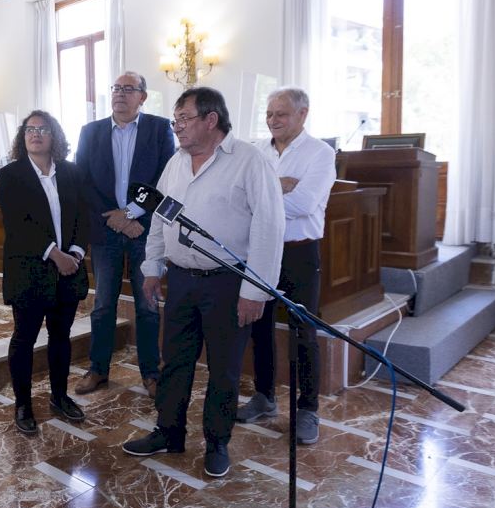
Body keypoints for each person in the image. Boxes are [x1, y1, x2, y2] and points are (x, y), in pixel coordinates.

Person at [122, 87, 283, 478]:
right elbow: (160, 217)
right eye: (175, 120)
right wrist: (152, 267)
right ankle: (168, 431)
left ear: (211, 120)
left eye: (184, 119)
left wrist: (255, 292)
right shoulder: (176, 163)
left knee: (224, 368)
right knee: (175, 360)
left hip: (228, 282)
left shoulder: (249, 161)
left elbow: (269, 228)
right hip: (180, 280)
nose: (177, 127)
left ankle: (217, 442)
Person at [237, 88, 336, 444]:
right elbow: (240, 197)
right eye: (269, 114)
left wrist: (261, 195)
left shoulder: (320, 153)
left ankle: (307, 409)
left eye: (281, 114)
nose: (273, 120)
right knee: (259, 326)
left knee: (302, 332)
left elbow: (305, 204)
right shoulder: (256, 151)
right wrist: (279, 188)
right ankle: (264, 396)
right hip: (260, 250)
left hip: (299, 252)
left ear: (302, 114)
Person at [74, 71, 175, 398]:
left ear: (142, 96)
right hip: (106, 231)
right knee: (103, 304)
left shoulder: (159, 129)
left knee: (147, 304)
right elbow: (83, 181)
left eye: (128, 89)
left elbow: (164, 179)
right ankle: (98, 369)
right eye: (116, 88)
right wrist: (115, 219)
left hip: (145, 230)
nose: (120, 93)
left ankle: (151, 372)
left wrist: (130, 214)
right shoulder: (90, 132)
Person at [0, 110, 91, 434]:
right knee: (24, 338)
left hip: (68, 271)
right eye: (30, 129)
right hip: (29, 271)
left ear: (55, 136)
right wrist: (55, 254)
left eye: (43, 129)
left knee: (61, 337)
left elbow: (83, 217)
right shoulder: (11, 175)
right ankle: (23, 404)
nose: (35, 134)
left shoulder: (72, 172)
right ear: (22, 137)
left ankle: (60, 397)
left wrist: (74, 254)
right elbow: (17, 224)